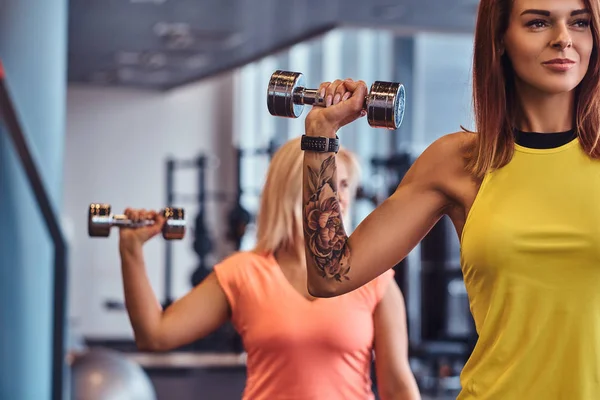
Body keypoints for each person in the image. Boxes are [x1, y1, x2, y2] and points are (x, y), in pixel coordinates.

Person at [300, 0, 599, 398]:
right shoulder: (458, 162)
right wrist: (322, 134)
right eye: (538, 22)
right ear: (500, 40)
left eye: (579, 22)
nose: (563, 39)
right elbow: (331, 275)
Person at [117, 136, 421, 400]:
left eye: (344, 186)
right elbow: (154, 335)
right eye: (328, 185)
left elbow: (397, 388)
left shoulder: (372, 278)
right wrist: (131, 251)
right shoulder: (243, 273)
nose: (339, 197)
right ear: (291, 190)